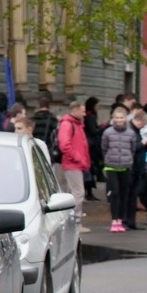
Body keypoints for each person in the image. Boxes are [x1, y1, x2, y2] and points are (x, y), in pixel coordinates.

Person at [101, 106, 137, 233]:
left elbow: (133, 149)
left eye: (121, 117)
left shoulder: (131, 133)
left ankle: (121, 220)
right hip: (112, 165)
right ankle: (114, 219)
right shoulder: (107, 132)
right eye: (116, 117)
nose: (119, 120)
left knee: (124, 193)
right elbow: (104, 148)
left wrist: (128, 160)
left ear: (125, 118)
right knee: (115, 192)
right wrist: (108, 159)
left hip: (125, 165)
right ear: (113, 119)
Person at [58, 100, 91, 234]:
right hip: (73, 163)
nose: (84, 113)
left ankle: (70, 221)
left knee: (72, 193)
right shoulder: (68, 124)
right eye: (82, 110)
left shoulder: (75, 124)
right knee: (78, 193)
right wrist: (78, 158)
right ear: (76, 110)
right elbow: (65, 145)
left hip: (75, 163)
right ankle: (75, 222)